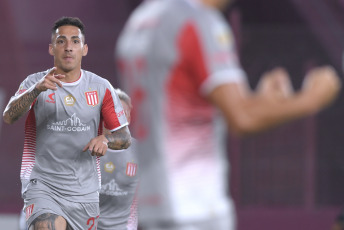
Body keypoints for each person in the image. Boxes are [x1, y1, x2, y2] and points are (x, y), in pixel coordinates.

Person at [115, 0, 341, 230]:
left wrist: (259, 101)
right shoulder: (199, 21)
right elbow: (242, 117)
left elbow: (186, 105)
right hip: (193, 205)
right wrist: (311, 99)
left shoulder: (141, 20)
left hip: (149, 203)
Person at [3, 16, 131, 230]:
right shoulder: (35, 82)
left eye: (75, 41)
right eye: (61, 41)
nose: (68, 47)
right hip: (43, 185)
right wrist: (36, 90)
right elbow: (8, 116)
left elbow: (124, 137)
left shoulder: (101, 87)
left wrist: (106, 140)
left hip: (85, 192)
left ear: (85, 49)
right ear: (52, 48)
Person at [98, 88, 139, 230]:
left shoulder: (140, 153)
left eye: (123, 113)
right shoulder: (86, 149)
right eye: (114, 112)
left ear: (129, 117)